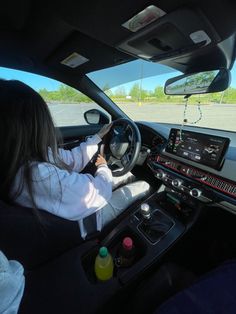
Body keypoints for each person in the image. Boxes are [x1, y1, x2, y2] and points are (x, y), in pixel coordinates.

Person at [0, 79, 150, 238]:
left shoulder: (26, 159)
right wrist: (103, 167)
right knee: (144, 185)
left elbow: (71, 160)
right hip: (87, 221)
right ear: (32, 126)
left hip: (71, 206)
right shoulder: (37, 175)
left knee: (123, 174)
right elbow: (96, 193)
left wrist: (97, 137)